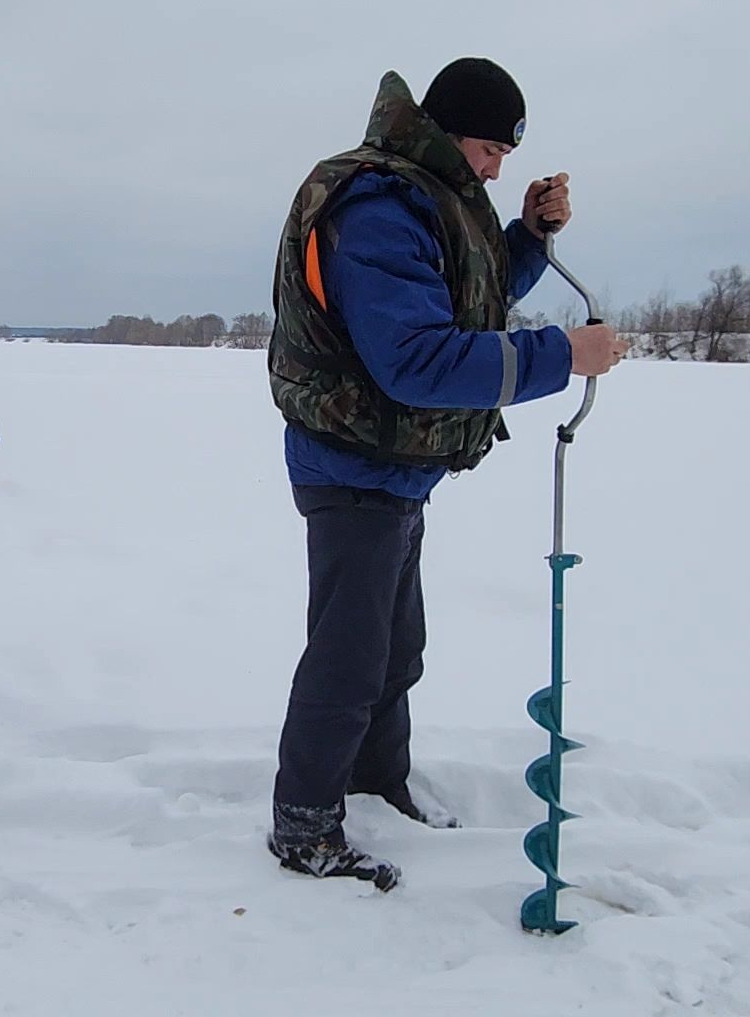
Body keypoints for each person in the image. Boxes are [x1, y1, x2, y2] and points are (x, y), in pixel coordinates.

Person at [265, 58, 629, 889]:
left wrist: (527, 238)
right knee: (349, 658)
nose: (497, 170)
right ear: (446, 132)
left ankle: (376, 786)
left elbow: (468, 297)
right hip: (352, 464)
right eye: (490, 149)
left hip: (395, 467)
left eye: (506, 155)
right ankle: (304, 824)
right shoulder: (379, 208)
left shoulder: (430, 199)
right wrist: (562, 355)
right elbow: (417, 361)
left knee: (394, 652)